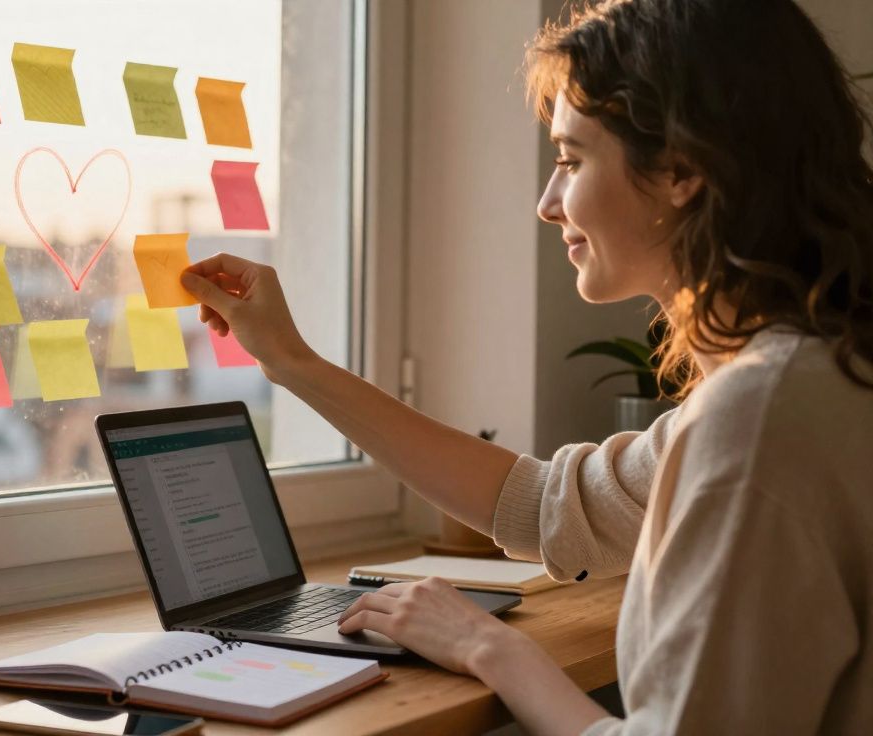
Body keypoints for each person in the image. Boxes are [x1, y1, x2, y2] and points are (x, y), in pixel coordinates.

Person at [180, 0, 873, 732]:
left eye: (571, 160)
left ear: (681, 169)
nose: (547, 203)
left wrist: (490, 647)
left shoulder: (760, 418)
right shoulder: (814, 376)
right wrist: (291, 362)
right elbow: (541, 504)